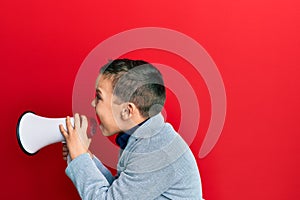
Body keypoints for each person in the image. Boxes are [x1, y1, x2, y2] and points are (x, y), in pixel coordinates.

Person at [59, 59, 204, 200]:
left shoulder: (155, 152)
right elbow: (121, 190)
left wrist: (79, 158)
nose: (93, 103)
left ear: (127, 111)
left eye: (99, 97)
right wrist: (86, 157)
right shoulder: (146, 138)